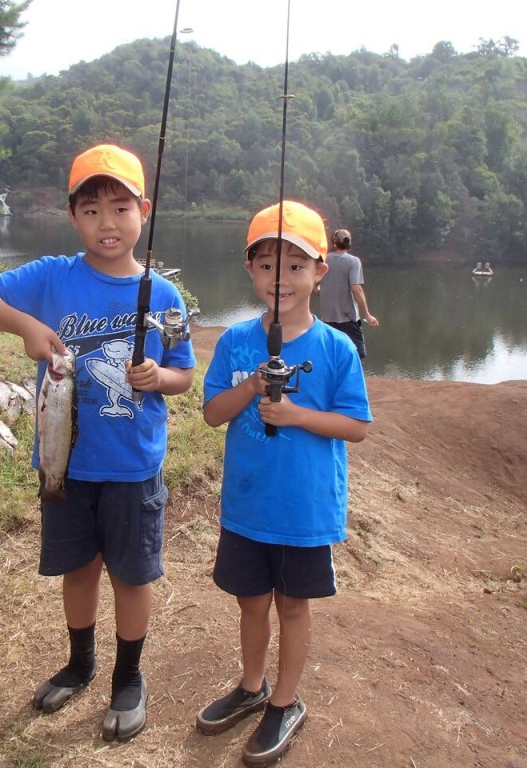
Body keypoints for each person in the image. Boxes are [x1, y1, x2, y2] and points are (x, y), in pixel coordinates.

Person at [0, 143, 196, 742]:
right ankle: (81, 661)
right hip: (65, 464)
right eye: (91, 210)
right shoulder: (53, 277)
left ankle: (128, 676)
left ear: (145, 209)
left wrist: (157, 378)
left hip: (134, 465)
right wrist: (30, 326)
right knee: (79, 570)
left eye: (119, 207)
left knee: (132, 577)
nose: (106, 223)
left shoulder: (163, 297)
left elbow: (185, 375)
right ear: (73, 216)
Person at [196, 201, 372, 766]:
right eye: (268, 265)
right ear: (250, 271)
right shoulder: (234, 341)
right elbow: (212, 413)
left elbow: (357, 426)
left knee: (293, 607)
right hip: (247, 506)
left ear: (321, 274)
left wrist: (297, 415)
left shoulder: (336, 348)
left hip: (304, 509)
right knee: (251, 603)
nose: (282, 279)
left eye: (297, 266)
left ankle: (286, 701)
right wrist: (250, 387)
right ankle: (252, 687)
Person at [318, 228, 379, 359]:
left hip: (327, 317)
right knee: (356, 354)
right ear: (349, 243)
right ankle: (350, 378)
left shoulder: (324, 260)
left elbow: (313, 288)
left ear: (334, 242)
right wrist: (367, 315)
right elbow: (356, 288)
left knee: (332, 355)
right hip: (348, 317)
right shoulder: (353, 261)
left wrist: (326, 291)